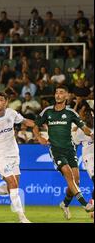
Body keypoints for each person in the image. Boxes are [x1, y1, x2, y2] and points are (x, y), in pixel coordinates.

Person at [33, 85, 94, 218]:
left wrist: (91, 135)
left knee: (76, 182)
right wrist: (39, 138)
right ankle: (85, 204)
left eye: (61, 93)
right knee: (68, 173)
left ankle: (64, 204)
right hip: (56, 149)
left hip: (70, 150)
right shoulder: (48, 111)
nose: (58, 95)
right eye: (56, 93)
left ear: (66, 96)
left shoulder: (72, 113)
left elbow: (84, 128)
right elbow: (35, 126)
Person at [0, 91, 36, 223]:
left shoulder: (11, 113)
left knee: (11, 187)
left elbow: (25, 121)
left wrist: (39, 123)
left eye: (1, 100)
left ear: (6, 102)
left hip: (13, 153)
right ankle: (21, 217)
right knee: (12, 183)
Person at [72, 109, 94, 219]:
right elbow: (75, 143)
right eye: (88, 115)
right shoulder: (82, 130)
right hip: (90, 158)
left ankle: (92, 206)